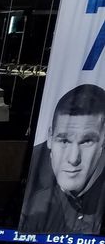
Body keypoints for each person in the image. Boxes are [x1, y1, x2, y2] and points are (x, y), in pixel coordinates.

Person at [19, 83, 105, 235]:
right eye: (64, 141)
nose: (73, 159)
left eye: (86, 141)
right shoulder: (28, 167)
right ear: (50, 137)